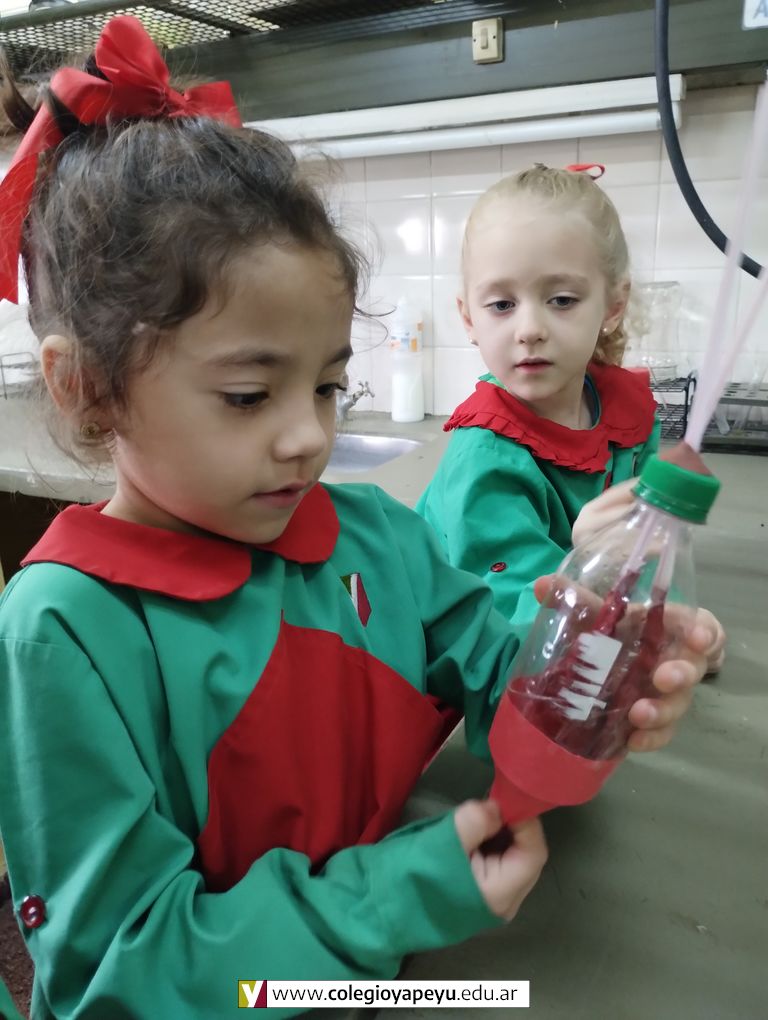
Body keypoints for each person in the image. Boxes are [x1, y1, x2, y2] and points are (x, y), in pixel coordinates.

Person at [0, 21, 715, 1019]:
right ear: (88, 388)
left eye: (329, 385)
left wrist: (589, 668)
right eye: (249, 395)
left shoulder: (375, 537)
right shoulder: (66, 630)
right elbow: (118, 974)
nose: (308, 436)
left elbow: (496, 665)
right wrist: (392, 899)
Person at [416, 165, 725, 668]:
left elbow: (646, 549)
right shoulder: (485, 453)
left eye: (561, 300)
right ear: (469, 317)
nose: (529, 329)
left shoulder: (628, 417)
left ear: (613, 306)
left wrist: (666, 620)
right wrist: (597, 577)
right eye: (501, 304)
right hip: (466, 653)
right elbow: (505, 619)